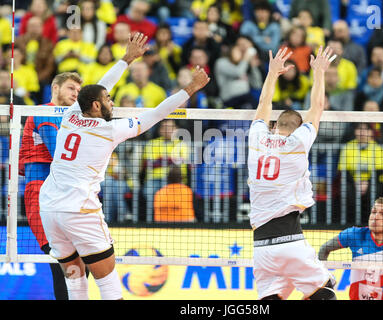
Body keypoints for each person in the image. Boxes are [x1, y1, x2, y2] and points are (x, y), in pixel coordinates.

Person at [38, 32, 210, 300]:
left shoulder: (71, 114)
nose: (112, 101)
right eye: (108, 99)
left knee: (75, 281)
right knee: (108, 284)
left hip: (49, 207)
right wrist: (189, 89)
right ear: (96, 106)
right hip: (79, 208)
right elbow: (156, 114)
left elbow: (97, 87)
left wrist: (126, 59)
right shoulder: (109, 129)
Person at [247, 46, 336, 300]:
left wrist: (272, 73)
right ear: (299, 129)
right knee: (326, 291)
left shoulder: (255, 138)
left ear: (273, 125)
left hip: (261, 246)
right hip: (290, 240)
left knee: (271, 299)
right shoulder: (298, 143)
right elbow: (317, 107)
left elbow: (264, 103)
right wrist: (318, 72)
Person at [19, 71, 83, 300]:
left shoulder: (70, 117)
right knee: (61, 260)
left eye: (78, 91)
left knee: (75, 261)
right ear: (55, 88)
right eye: (70, 89)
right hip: (40, 191)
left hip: (61, 193)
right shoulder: (45, 112)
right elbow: (59, 155)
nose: (75, 94)